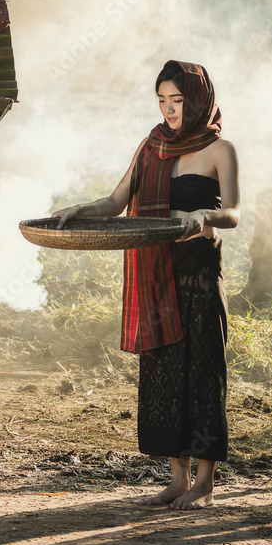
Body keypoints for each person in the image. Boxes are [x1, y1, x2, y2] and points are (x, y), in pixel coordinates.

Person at [52, 60, 240, 510]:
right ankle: (177, 477)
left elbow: (234, 213)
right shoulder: (152, 147)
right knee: (165, 374)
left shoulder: (220, 149)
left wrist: (205, 215)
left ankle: (205, 483)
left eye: (177, 101)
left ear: (197, 101)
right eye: (162, 101)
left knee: (202, 374)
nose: (169, 110)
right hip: (156, 277)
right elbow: (117, 201)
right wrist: (80, 210)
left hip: (198, 275)